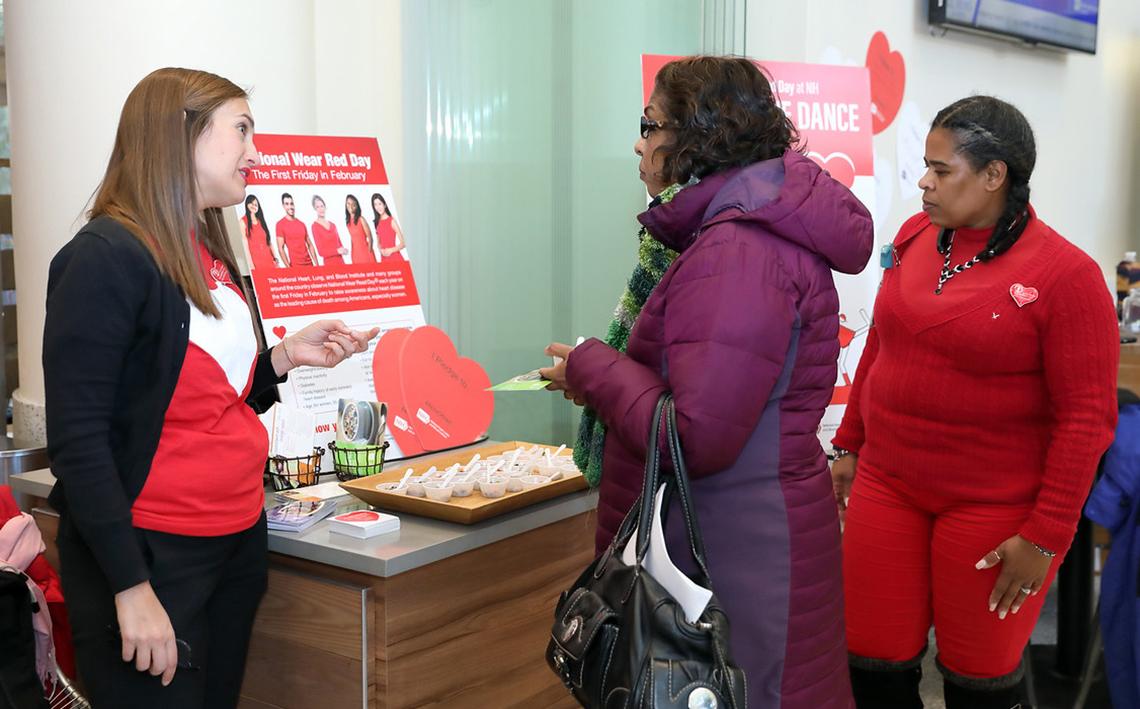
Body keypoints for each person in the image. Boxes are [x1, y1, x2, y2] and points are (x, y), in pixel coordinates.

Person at [541, 56, 873, 708]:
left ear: (697, 135)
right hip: (744, 536)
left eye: (650, 124)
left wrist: (596, 366)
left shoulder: (738, 251)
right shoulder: (746, 225)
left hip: (732, 551)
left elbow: (698, 435)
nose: (639, 142)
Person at [42, 67, 379, 709]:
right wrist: (130, 585)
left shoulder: (206, 251)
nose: (255, 152)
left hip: (232, 542)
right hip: (153, 555)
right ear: (181, 135)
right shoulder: (104, 257)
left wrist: (279, 359)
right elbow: (79, 442)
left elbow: (199, 394)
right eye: (242, 130)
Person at [830, 96, 1119, 709]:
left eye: (941, 170)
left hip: (995, 510)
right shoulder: (913, 236)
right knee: (870, 666)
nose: (924, 183)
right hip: (888, 482)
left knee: (976, 681)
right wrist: (850, 443)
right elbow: (882, 342)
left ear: (994, 176)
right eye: (924, 167)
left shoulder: (1066, 276)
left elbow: (1087, 421)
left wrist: (1045, 539)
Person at [274, 192, 316, 267]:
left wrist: (317, 264)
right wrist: (289, 268)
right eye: (287, 204)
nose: (290, 206)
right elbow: (281, 249)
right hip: (296, 266)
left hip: (310, 265)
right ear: (283, 206)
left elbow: (310, 245)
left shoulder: (302, 224)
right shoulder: (280, 225)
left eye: (291, 203)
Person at [240, 194, 278, 270]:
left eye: (256, 205)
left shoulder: (261, 221)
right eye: (251, 203)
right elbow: (245, 247)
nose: (254, 206)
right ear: (247, 204)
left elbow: (269, 242)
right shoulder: (242, 222)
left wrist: (276, 258)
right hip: (257, 264)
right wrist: (251, 266)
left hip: (270, 261)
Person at [310, 194, 347, 266]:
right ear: (315, 209)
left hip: (341, 262)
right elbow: (321, 252)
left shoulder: (333, 225)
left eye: (322, 206)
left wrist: (344, 250)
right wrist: (337, 251)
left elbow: (340, 245)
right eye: (317, 207)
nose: (321, 209)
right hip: (329, 264)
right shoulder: (315, 227)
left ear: (325, 207)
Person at [371, 192, 406, 262]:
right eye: (375, 205)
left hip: (395, 258)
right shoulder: (377, 222)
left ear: (385, 205)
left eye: (380, 204)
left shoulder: (392, 221)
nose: (378, 207)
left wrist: (390, 250)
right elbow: (378, 242)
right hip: (383, 259)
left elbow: (403, 243)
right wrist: (380, 250)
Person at [344, 194, 377, 264]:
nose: (350, 206)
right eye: (348, 203)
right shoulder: (348, 223)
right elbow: (352, 239)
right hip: (356, 255)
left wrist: (369, 253)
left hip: (366, 253)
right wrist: (352, 254)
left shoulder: (361, 219)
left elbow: (370, 238)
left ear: (356, 206)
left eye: (353, 204)